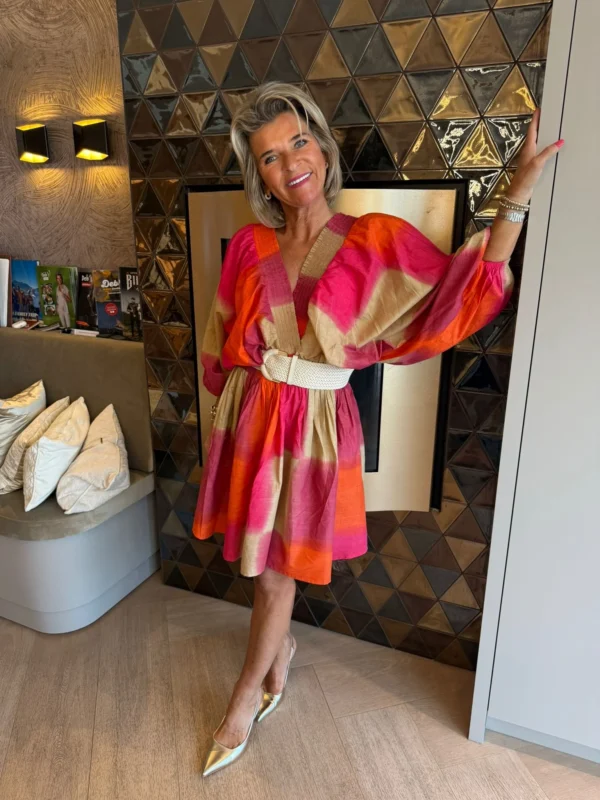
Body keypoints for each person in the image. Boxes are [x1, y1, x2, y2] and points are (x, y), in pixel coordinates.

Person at [193, 82, 563, 778]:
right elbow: (220, 339)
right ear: (260, 176)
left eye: (299, 142)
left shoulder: (374, 240)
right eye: (270, 156)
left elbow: (463, 291)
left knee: (275, 574)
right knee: (265, 566)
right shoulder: (247, 245)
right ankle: (279, 656)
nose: (291, 163)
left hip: (315, 428)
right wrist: (226, 426)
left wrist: (517, 191)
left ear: (321, 148)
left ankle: (244, 697)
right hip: (252, 417)